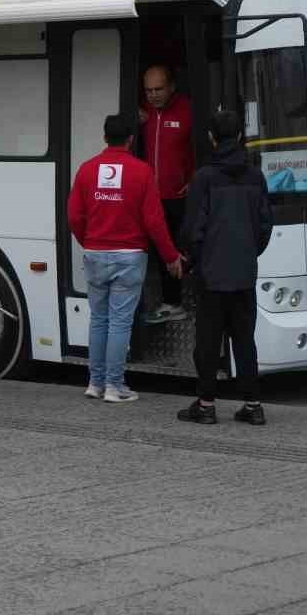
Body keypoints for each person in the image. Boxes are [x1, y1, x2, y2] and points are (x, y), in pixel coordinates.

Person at [68, 114, 182, 403]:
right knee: (120, 322)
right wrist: (170, 256)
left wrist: (89, 241)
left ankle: (95, 383)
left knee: (98, 320)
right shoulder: (141, 172)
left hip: (95, 253)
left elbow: (74, 216)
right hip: (129, 256)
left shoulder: (86, 170)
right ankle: (115, 386)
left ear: (105, 137)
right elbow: (154, 221)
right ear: (131, 139)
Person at [176, 109, 274, 427]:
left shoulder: (204, 177)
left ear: (211, 138)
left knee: (207, 341)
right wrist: (248, 253)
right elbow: (265, 226)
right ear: (241, 136)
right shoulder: (256, 177)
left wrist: (196, 260)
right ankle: (253, 405)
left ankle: (206, 405)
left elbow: (192, 228)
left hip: (211, 275)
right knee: (244, 340)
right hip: (244, 273)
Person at [138, 64, 195, 321]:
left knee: (180, 249)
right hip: (151, 197)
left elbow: (201, 145)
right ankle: (169, 303)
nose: (153, 95)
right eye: (148, 90)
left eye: (158, 89)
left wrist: (194, 178)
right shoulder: (142, 113)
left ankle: (180, 302)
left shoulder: (188, 110)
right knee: (160, 252)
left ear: (171, 86)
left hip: (180, 197)